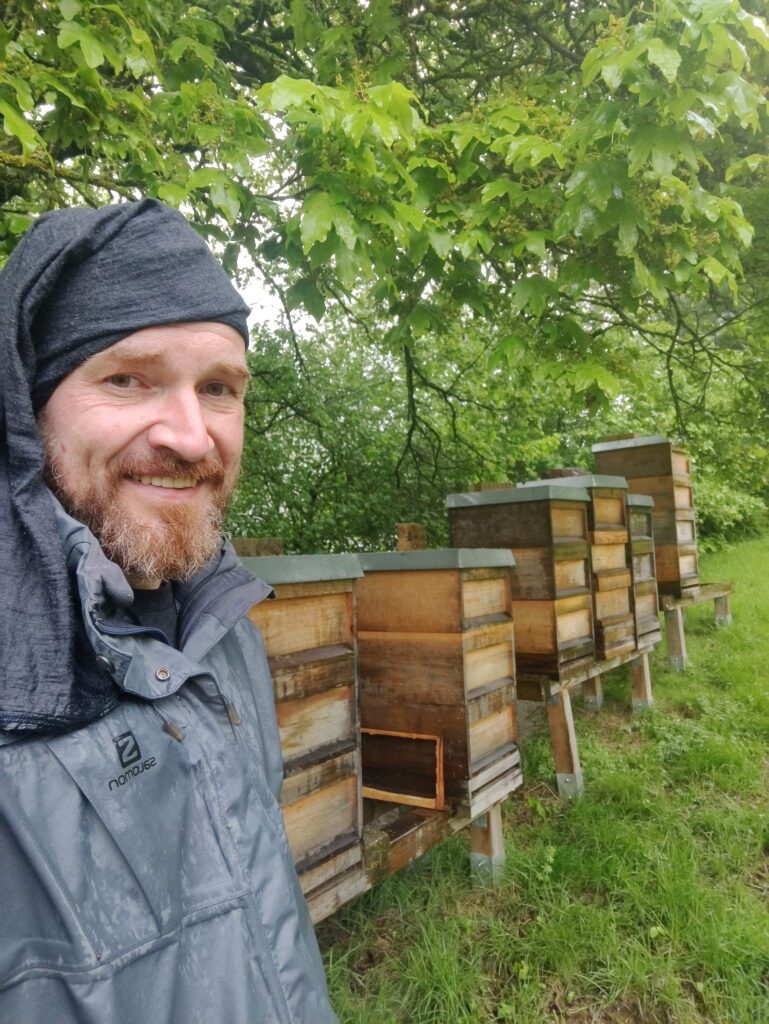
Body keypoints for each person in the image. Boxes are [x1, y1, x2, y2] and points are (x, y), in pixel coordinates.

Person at [0, 199, 339, 1023]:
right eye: (127, 379)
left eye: (219, 388)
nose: (191, 436)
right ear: (28, 406)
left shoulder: (222, 635)